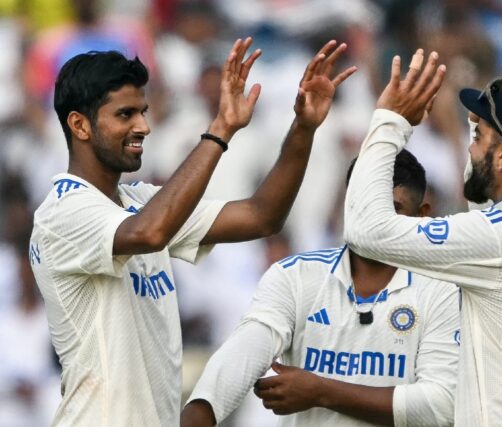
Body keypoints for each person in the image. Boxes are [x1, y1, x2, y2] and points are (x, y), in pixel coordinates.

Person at [28, 38, 356, 426]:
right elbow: (149, 233)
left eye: (144, 112)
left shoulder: (139, 201)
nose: (144, 127)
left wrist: (303, 128)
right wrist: (220, 129)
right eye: (125, 115)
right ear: (79, 125)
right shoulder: (63, 212)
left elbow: (260, 216)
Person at [344, 49, 502, 426]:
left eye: (478, 135)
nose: (469, 144)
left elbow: (365, 231)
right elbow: (486, 215)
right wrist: (497, 121)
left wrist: (390, 119)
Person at [181, 149, 460, 427]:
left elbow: (440, 406)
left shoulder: (443, 291)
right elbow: (246, 350)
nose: (374, 221)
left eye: (392, 208)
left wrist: (321, 391)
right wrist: (201, 411)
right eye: (364, 205)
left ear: (422, 215)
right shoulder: (297, 275)